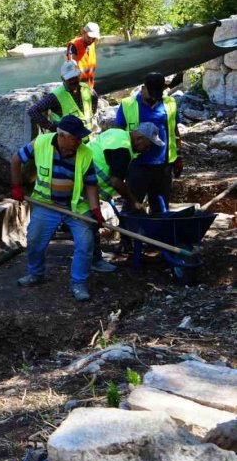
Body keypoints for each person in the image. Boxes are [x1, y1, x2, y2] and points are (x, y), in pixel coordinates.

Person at [10, 115, 102, 302]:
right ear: (61, 136)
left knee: (85, 244)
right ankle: (36, 274)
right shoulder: (41, 143)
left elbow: (91, 184)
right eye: (75, 138)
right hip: (47, 205)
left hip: (75, 207)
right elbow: (16, 160)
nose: (79, 141)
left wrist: (95, 209)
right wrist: (17, 186)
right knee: (35, 240)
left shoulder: (85, 153)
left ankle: (78, 283)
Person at [88, 123, 164, 272]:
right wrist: (134, 200)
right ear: (139, 138)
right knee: (89, 223)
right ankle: (94, 260)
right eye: (148, 145)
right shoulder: (123, 150)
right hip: (85, 183)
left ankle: (93, 256)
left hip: (86, 179)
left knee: (90, 222)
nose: (147, 150)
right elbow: (116, 182)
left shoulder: (118, 135)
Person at [114, 72, 182, 214]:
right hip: (137, 166)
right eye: (152, 93)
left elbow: (174, 131)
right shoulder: (128, 105)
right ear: (143, 88)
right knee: (133, 206)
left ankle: (156, 235)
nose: (154, 98)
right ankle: (127, 236)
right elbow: (118, 135)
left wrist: (178, 157)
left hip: (163, 166)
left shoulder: (170, 103)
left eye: (158, 94)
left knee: (160, 208)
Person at [27, 61, 98, 133]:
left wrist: (92, 113)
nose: (73, 81)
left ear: (79, 76)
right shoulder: (56, 96)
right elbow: (33, 111)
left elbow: (95, 97)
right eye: (69, 78)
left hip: (89, 137)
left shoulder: (86, 88)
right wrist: (51, 127)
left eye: (74, 77)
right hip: (68, 142)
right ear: (63, 79)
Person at [67, 22, 100, 89]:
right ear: (83, 33)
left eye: (94, 38)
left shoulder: (91, 45)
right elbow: (72, 69)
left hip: (89, 88)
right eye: (89, 37)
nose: (91, 40)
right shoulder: (74, 45)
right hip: (77, 89)